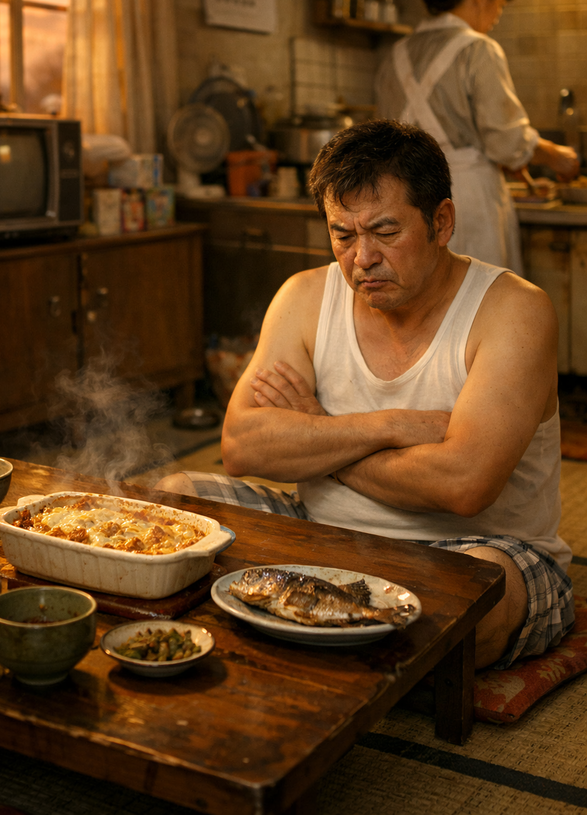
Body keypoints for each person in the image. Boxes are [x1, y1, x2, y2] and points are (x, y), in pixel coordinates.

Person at [159, 119, 574, 672]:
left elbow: (463, 484)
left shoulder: (513, 310)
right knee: (173, 503)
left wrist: (316, 431)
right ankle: (338, 629)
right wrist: (387, 426)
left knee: (469, 610)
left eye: (385, 231)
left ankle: (306, 629)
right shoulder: (304, 296)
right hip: (319, 531)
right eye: (343, 234)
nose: (362, 259)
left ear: (441, 221)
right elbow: (241, 445)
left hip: (475, 549)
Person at [374, 0, 579, 274]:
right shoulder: (479, 48)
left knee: (421, 308)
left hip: (404, 199)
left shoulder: (395, 54)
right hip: (465, 201)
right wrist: (558, 156)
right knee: (482, 308)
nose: (498, 16)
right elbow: (507, 142)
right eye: (499, 3)